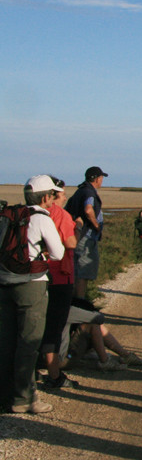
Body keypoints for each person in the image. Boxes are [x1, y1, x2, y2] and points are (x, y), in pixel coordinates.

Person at [0, 175, 66, 414]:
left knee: (6, 343)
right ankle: (25, 399)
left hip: (4, 282)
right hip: (31, 285)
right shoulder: (41, 219)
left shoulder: (8, 216)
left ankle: (5, 396)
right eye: (52, 195)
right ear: (46, 196)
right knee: (29, 343)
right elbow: (58, 253)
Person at [38, 177, 79, 390]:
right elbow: (71, 243)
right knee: (54, 326)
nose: (65, 198)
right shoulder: (61, 215)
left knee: (37, 324)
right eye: (62, 194)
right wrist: (78, 227)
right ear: (53, 196)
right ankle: (54, 374)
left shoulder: (35, 214)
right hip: (60, 276)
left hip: (37, 276)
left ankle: (37, 367)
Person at [65, 166, 109, 299]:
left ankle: (73, 301)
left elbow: (67, 210)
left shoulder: (80, 191)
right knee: (83, 273)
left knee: (75, 270)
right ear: (96, 179)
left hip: (77, 235)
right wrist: (96, 226)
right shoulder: (89, 192)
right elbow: (88, 210)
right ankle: (80, 302)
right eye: (101, 178)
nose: (102, 180)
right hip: (86, 237)